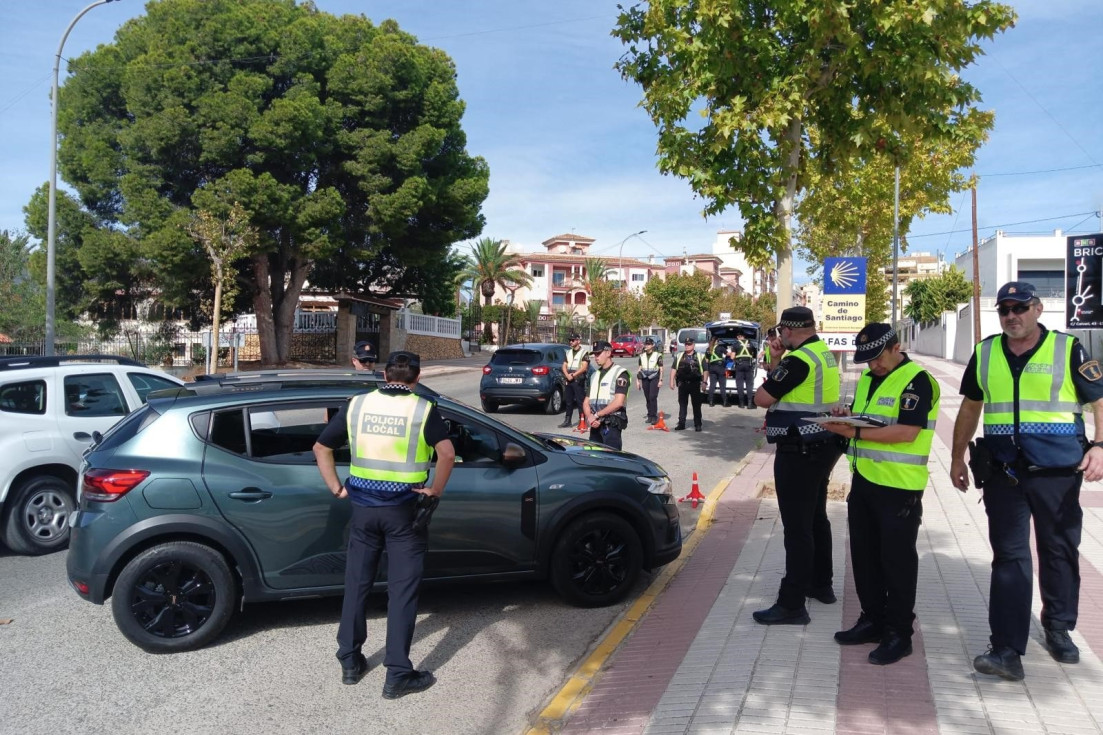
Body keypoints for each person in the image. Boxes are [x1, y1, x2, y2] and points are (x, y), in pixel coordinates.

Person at [950, 281, 1103, 681]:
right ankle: (1006, 648)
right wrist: (955, 458)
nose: (1012, 316)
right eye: (1005, 310)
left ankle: (1058, 628)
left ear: (1037, 309)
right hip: (1004, 473)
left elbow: (1100, 400)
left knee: (1058, 552)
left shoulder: (1067, 349)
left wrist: (1101, 446)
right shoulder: (985, 352)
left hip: (1057, 473)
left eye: (1020, 308)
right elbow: (970, 406)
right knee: (1010, 558)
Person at [313, 350, 456, 698]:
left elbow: (321, 447)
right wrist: (434, 490)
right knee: (402, 591)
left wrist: (336, 487)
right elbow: (448, 453)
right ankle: (397, 675)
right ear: (417, 378)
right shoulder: (423, 409)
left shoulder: (357, 405)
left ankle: (349, 659)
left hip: (362, 509)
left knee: (357, 583)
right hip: (404, 513)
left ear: (384, 375)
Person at [821, 324, 940, 666]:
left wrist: (853, 430)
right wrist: (848, 418)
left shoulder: (917, 379)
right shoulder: (872, 378)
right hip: (866, 481)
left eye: (877, 358)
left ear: (896, 346)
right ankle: (872, 619)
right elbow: (872, 422)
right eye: (867, 360)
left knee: (897, 563)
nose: (873, 365)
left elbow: (906, 431)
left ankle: (899, 634)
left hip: (900, 486)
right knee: (865, 557)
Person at [752, 306, 843, 625]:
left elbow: (762, 398)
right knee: (816, 517)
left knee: (797, 527)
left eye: (781, 333)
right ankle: (821, 585)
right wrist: (776, 360)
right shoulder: (822, 352)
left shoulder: (798, 361)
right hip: (823, 444)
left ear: (788, 331)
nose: (779, 339)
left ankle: (792, 603)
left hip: (800, 448)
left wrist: (777, 362)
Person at [583, 341, 631, 449]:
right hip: (595, 423)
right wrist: (590, 417)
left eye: (598, 354)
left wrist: (596, 415)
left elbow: (618, 402)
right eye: (594, 354)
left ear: (608, 353)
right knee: (594, 456)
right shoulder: (594, 375)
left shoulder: (620, 373)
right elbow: (586, 402)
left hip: (611, 423)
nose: (595, 357)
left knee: (612, 458)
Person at [669, 336, 707, 431]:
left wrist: (704, 382)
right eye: (686, 344)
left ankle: (698, 424)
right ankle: (681, 423)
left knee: (696, 405)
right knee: (682, 404)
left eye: (689, 344)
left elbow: (706, 370)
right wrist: (671, 381)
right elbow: (674, 369)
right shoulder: (679, 356)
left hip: (695, 383)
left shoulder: (700, 356)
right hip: (683, 384)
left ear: (693, 345)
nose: (687, 346)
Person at [559, 333, 590, 428]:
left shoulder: (584, 352)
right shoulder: (568, 352)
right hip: (569, 378)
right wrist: (567, 375)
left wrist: (574, 375)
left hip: (578, 379)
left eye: (573, 340)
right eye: (570, 340)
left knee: (580, 401)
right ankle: (567, 420)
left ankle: (582, 421)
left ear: (578, 341)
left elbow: (584, 367)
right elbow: (564, 365)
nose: (571, 342)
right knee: (568, 401)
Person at [636, 337, 664, 424]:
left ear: (652, 345)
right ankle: (650, 415)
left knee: (652, 397)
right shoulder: (642, 356)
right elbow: (639, 369)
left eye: (648, 344)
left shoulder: (657, 355)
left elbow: (661, 369)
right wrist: (637, 381)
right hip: (645, 378)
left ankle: (654, 416)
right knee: (647, 398)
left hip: (654, 377)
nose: (646, 346)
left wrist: (660, 380)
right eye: (646, 344)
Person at [731, 332, 757, 409]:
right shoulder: (751, 344)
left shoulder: (735, 344)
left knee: (740, 384)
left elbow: (732, 357)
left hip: (739, 365)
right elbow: (754, 355)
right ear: (744, 336)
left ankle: (741, 403)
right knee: (749, 384)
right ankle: (749, 403)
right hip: (748, 365)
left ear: (738, 337)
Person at [705, 336, 729, 407]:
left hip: (712, 368)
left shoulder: (708, 349)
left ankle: (711, 402)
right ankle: (725, 402)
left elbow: (706, 360)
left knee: (712, 385)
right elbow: (728, 354)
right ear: (716, 341)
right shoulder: (720, 347)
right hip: (720, 367)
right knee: (722, 386)